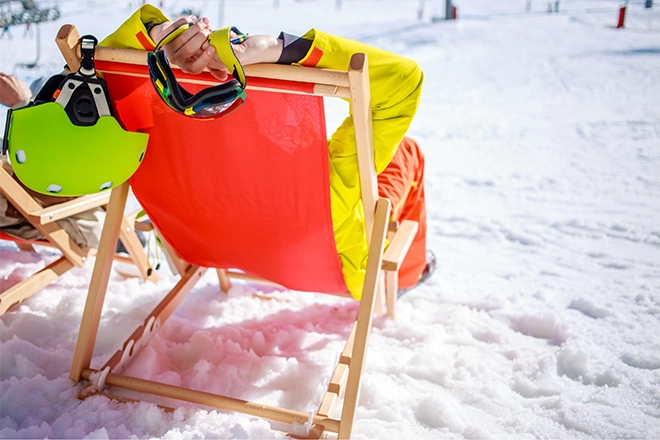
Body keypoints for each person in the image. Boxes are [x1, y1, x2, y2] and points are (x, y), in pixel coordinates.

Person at [102, 5, 434, 298]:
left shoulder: (171, 166)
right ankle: (407, 274)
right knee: (408, 152)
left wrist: (157, 37)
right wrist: (280, 49)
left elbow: (106, 68)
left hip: (198, 242)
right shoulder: (319, 190)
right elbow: (403, 80)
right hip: (337, 267)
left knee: (400, 155)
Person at [0, 72, 105, 249]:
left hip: (59, 203)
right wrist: (24, 105)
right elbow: (48, 181)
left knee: (48, 85)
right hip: (81, 221)